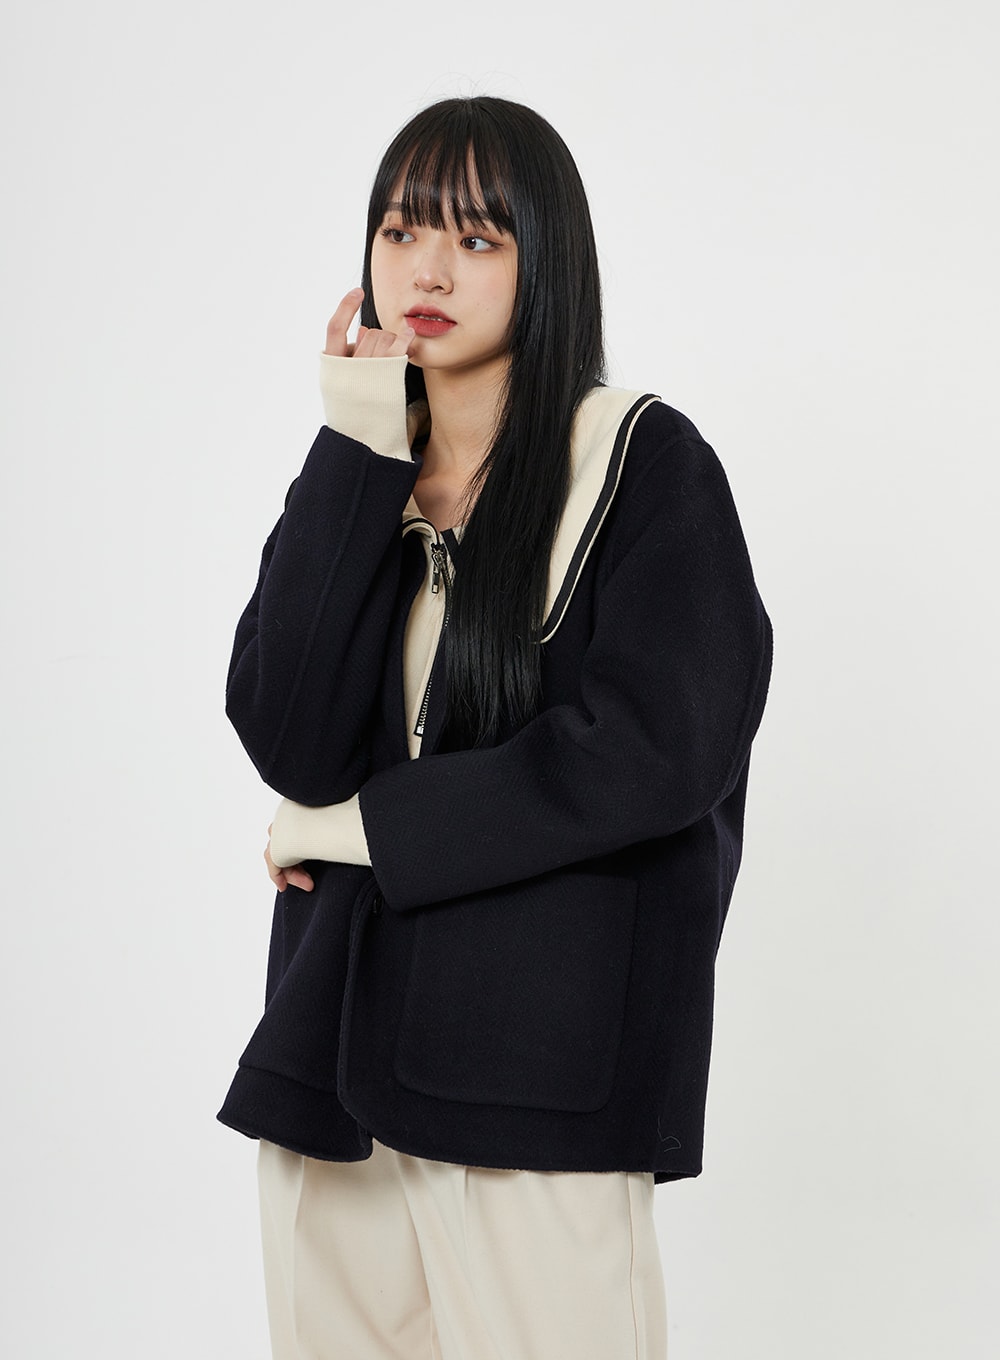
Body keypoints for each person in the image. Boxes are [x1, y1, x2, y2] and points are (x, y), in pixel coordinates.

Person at [218, 96, 772, 1360]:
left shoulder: (641, 463)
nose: (425, 269)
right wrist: (356, 435)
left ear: (546, 256)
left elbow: (657, 749)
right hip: (329, 1061)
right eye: (401, 230)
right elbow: (289, 739)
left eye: (475, 238)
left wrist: (367, 829)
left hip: (537, 1075)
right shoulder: (363, 466)